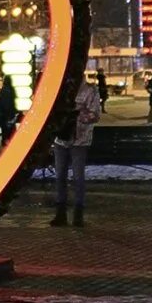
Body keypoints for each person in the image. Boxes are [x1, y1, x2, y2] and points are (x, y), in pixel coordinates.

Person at [50, 78, 101, 227]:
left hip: (79, 140)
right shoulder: (62, 89)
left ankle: (78, 214)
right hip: (61, 139)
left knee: (78, 178)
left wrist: (76, 115)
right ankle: (61, 213)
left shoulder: (90, 90)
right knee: (60, 177)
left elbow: (95, 115)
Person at [0, 77, 17, 144]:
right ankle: (7, 140)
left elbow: (1, 100)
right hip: (8, 111)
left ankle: (2, 140)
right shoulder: (11, 90)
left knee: (3, 127)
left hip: (3, 111)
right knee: (8, 127)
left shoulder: (4, 90)